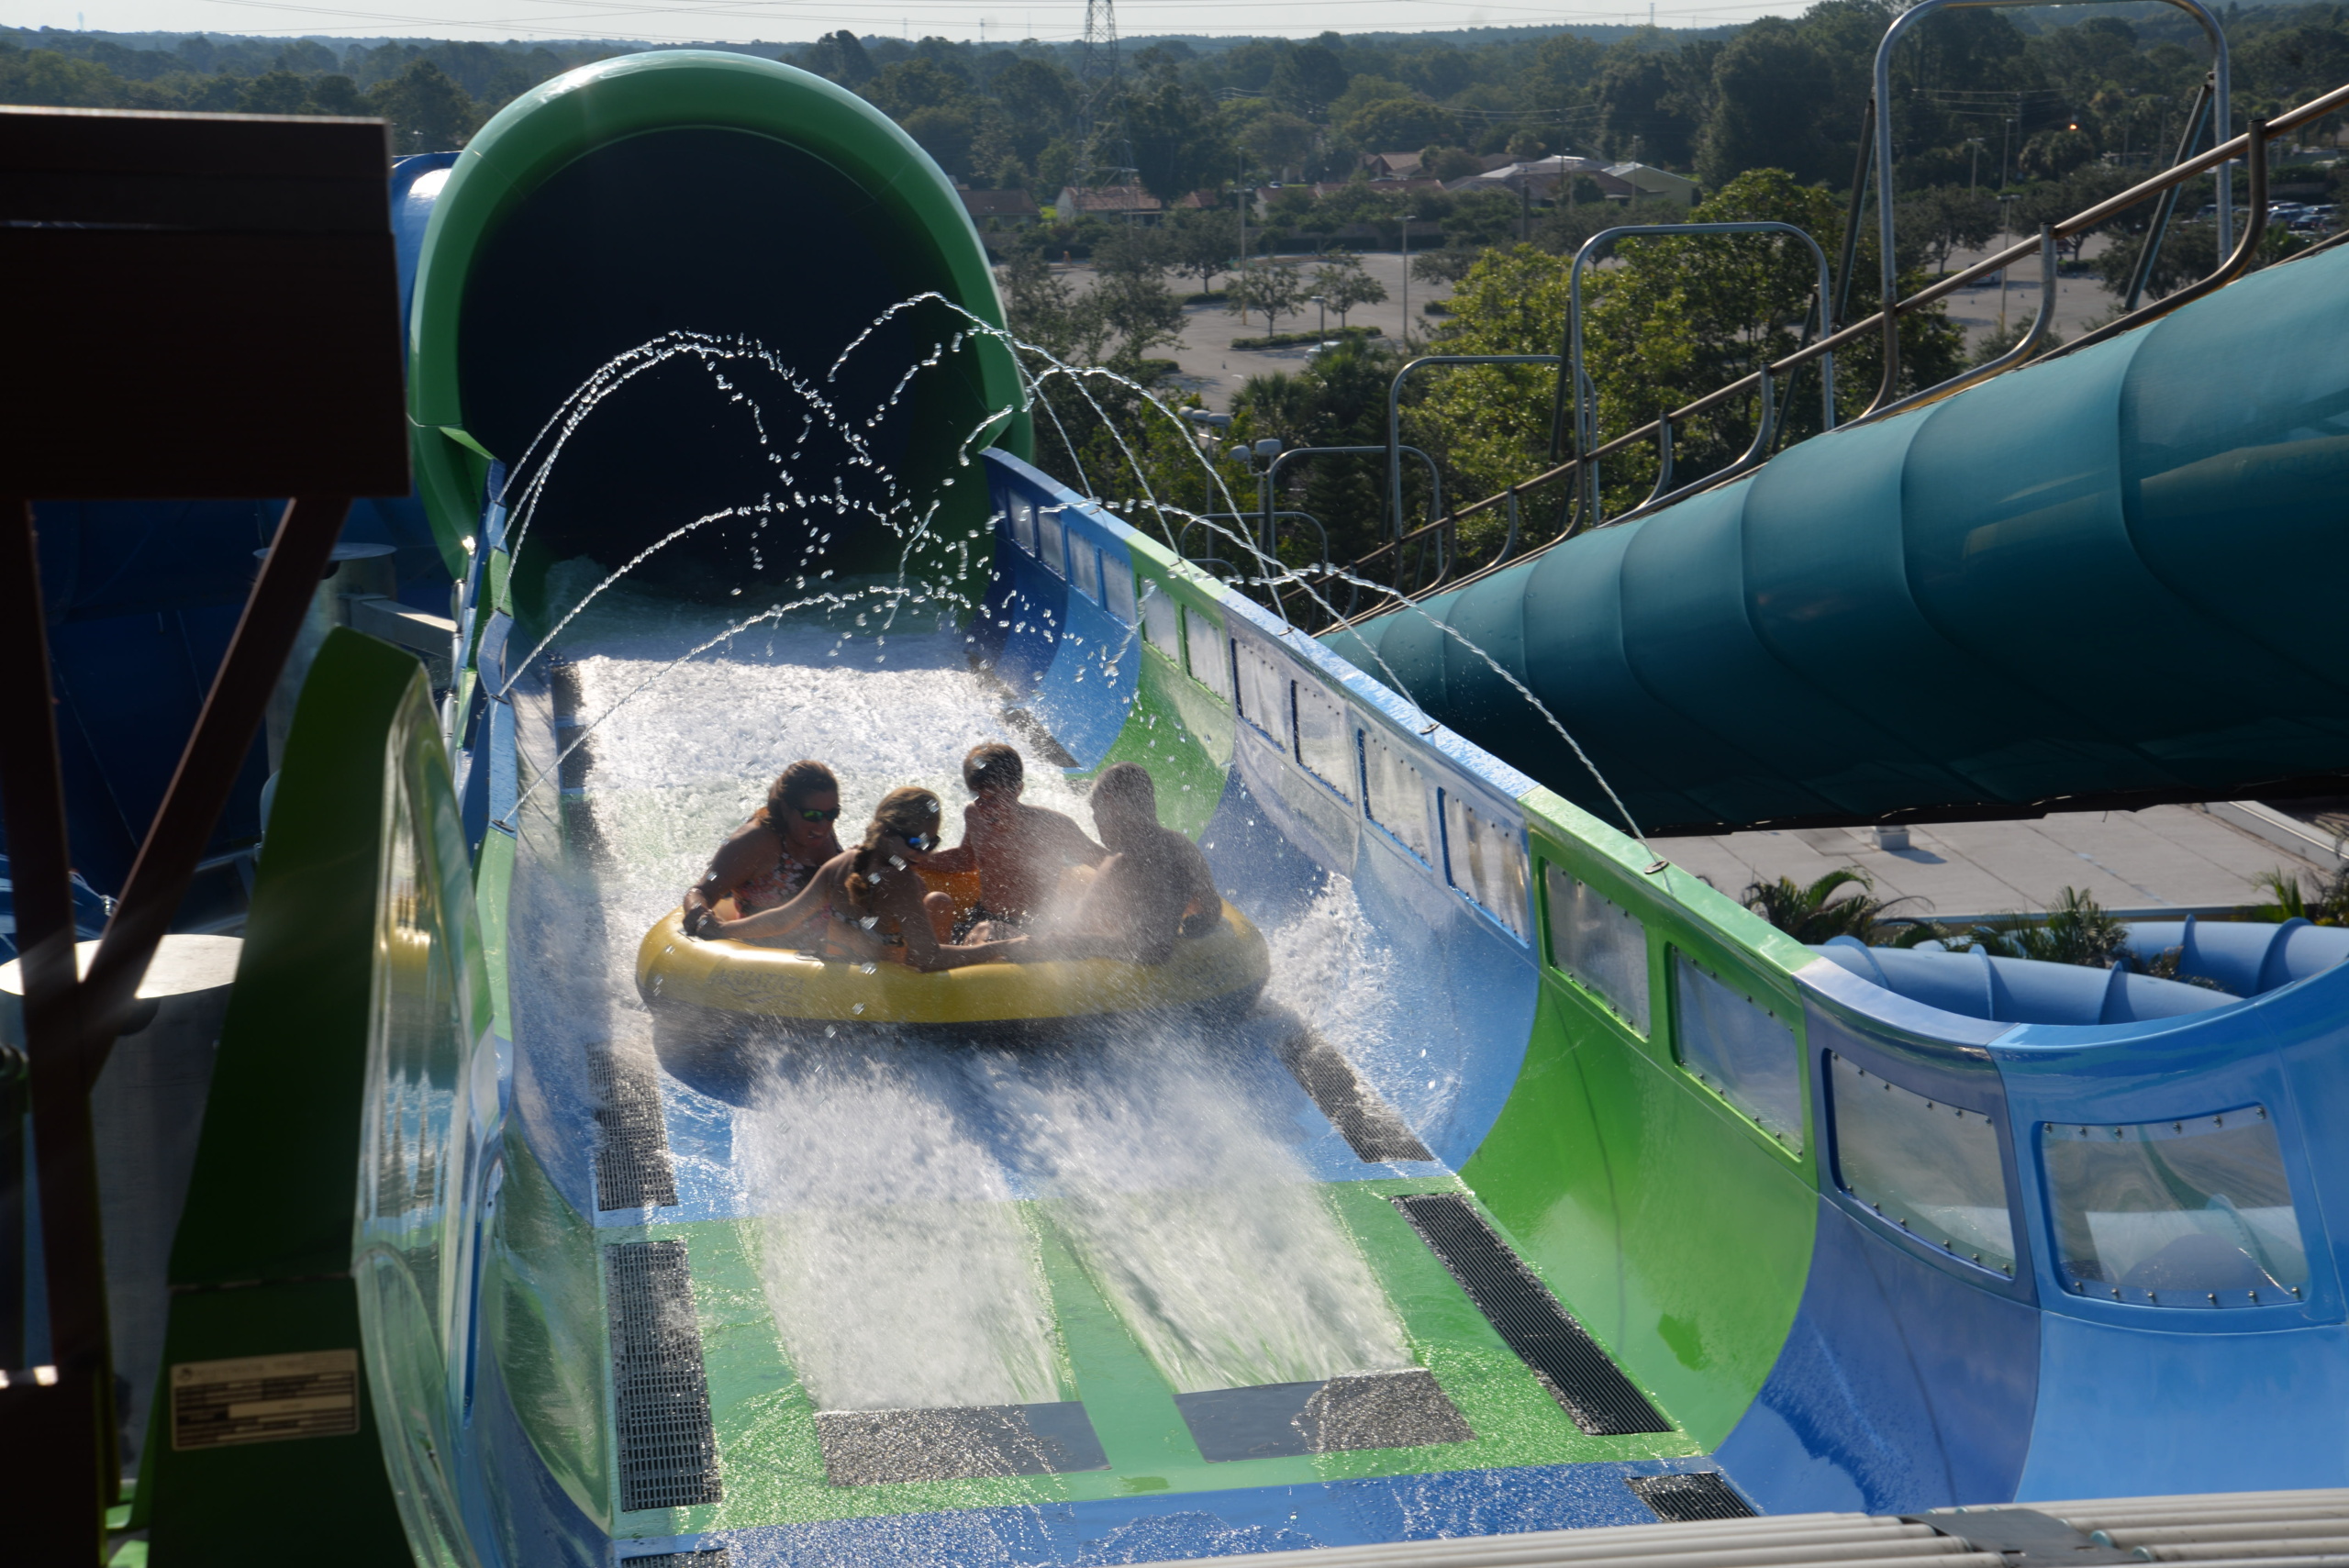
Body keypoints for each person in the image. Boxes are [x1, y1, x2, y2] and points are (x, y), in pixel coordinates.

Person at [699, 786, 1027, 973]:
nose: (922, 854)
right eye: (914, 843)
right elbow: (928, 958)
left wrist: (723, 929)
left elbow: (786, 917)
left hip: (839, 980)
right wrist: (1007, 948)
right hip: (886, 992)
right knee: (976, 924)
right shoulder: (902, 883)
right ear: (886, 832)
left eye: (931, 844)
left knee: (938, 902)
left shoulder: (842, 864)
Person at [1016, 762, 1221, 966]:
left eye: (1096, 809)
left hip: (1112, 972)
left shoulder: (1123, 862)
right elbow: (1211, 911)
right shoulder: (1184, 847)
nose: (1095, 819)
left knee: (995, 936)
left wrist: (1043, 941)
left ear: (1111, 804)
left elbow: (1149, 949)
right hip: (1152, 967)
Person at [921, 741, 1107, 935]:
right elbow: (964, 859)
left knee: (990, 934)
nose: (984, 806)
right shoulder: (974, 815)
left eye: (992, 797)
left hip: (1034, 930)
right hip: (983, 916)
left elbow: (1105, 862)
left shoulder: (1052, 827)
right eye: (978, 796)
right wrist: (915, 860)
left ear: (1018, 789)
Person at [682, 760, 842, 941]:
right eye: (812, 815)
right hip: (765, 959)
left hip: (829, 950)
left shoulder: (820, 830)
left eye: (832, 814)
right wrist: (701, 917)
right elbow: (702, 891)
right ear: (786, 808)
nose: (823, 825)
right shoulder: (753, 842)